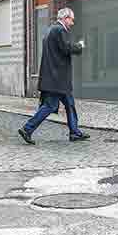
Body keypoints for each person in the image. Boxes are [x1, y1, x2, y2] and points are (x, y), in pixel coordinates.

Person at [19, 8, 90, 145]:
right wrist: (79, 46)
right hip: (57, 79)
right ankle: (27, 129)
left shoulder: (51, 29)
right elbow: (66, 48)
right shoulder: (59, 30)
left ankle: (74, 132)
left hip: (55, 78)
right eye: (71, 19)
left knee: (70, 104)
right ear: (65, 18)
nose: (72, 23)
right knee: (50, 106)